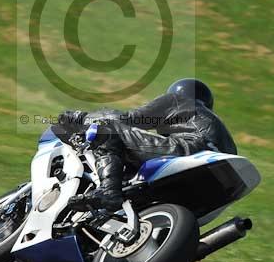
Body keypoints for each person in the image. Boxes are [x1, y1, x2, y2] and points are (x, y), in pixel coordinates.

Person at [53, 78, 237, 212]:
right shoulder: (218, 129)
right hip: (218, 181)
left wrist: (80, 117)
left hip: (188, 150)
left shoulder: (176, 100)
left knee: (107, 129)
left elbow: (128, 120)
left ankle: (108, 189)